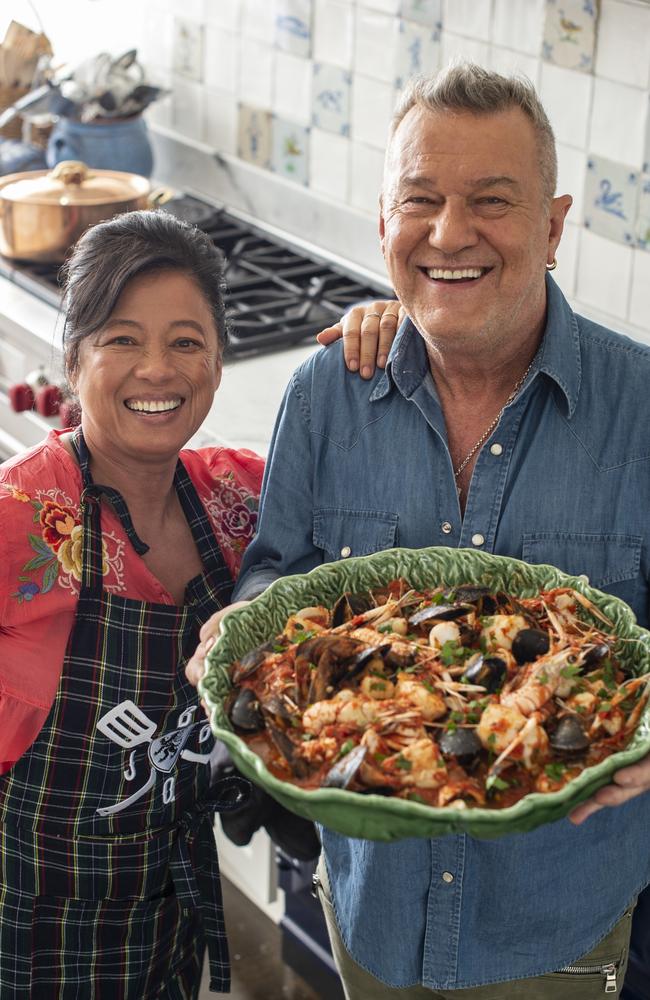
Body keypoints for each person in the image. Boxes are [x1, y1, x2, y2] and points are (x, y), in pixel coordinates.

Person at [187, 64, 650, 999]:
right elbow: (275, 584)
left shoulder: (642, 409)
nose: (450, 233)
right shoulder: (324, 394)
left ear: (554, 227)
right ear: (385, 224)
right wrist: (234, 639)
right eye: (421, 201)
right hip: (371, 912)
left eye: (492, 201)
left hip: (559, 927)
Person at [0, 208, 395, 998]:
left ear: (218, 361)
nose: (158, 369)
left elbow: (371, 500)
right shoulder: (20, 521)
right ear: (74, 360)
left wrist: (395, 338)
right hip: (25, 923)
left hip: (168, 909)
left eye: (186, 341)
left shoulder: (241, 496)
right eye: (122, 339)